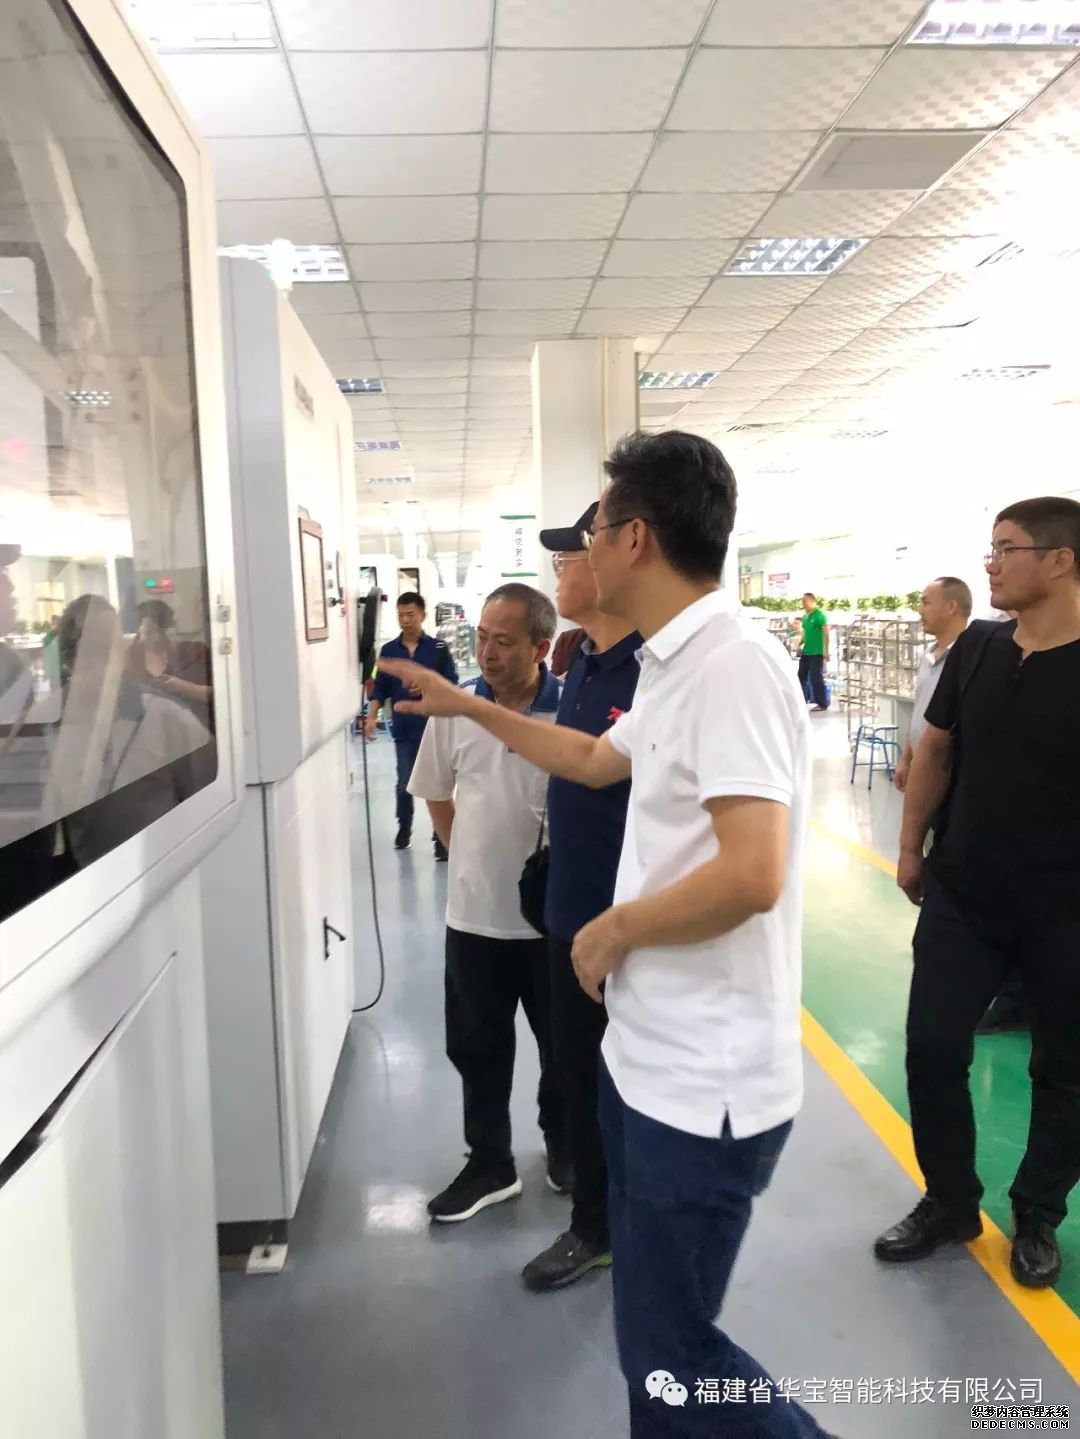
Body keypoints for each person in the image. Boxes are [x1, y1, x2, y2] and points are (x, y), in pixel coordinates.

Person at [383, 431, 828, 1439]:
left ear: (634, 539)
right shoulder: (673, 663)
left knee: (674, 1352)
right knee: (648, 1345)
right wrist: (463, 706)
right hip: (643, 1058)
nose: (578, 551)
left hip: (705, 1085)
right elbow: (590, 758)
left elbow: (752, 872)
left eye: (591, 531)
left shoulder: (736, 666)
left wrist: (612, 927)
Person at [878, 496, 1080, 1291]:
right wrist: (909, 847)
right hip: (964, 891)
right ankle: (950, 1200)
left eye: (1006, 548)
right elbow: (935, 749)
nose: (990, 563)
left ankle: (1038, 1213)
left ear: (1060, 559)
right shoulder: (978, 649)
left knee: (1064, 1069)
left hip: (1065, 907)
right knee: (931, 1046)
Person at [406, 583, 569, 1224]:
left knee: (563, 1048)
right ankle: (490, 1163)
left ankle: (565, 1147)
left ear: (541, 648)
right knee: (477, 1047)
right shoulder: (456, 710)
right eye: (481, 637)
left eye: (503, 641)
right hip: (475, 918)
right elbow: (435, 791)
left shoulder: (570, 711)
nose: (488, 652)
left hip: (552, 921)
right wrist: (467, 858)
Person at [522, 503, 641, 1293]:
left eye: (571, 556)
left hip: (632, 929)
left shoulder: (655, 672)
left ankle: (621, 1225)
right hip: (571, 916)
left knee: (630, 1087)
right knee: (580, 1077)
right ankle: (595, 1223)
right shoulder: (584, 664)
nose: (561, 570)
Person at [366, 591, 457, 858]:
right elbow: (380, 688)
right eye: (401, 615)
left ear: (423, 615)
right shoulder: (389, 651)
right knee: (405, 782)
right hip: (405, 728)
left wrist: (430, 687)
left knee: (438, 784)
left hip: (435, 727)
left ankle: (440, 838)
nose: (405, 620)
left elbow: (452, 683)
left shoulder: (438, 649)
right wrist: (371, 717)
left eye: (410, 615)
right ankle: (404, 827)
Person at [893, 576, 972, 794]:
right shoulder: (927, 655)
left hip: (948, 774)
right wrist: (906, 759)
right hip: (920, 768)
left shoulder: (969, 659)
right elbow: (919, 712)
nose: (920, 610)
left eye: (926, 603)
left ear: (951, 607)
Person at [127, 599, 213, 725]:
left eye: (161, 631)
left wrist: (186, 688)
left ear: (171, 629)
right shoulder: (129, 659)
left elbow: (223, 693)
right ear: (139, 631)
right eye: (149, 631)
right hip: (150, 731)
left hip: (195, 729)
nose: (157, 638)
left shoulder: (196, 652)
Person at [797, 592, 830, 711]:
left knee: (816, 678)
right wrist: (800, 644)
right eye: (802, 601)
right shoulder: (805, 617)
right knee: (801, 676)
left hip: (817, 652)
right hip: (807, 651)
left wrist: (826, 650)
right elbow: (806, 633)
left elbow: (826, 633)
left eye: (805, 601)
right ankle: (802, 700)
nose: (803, 603)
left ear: (812, 602)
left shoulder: (819, 615)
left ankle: (822, 703)